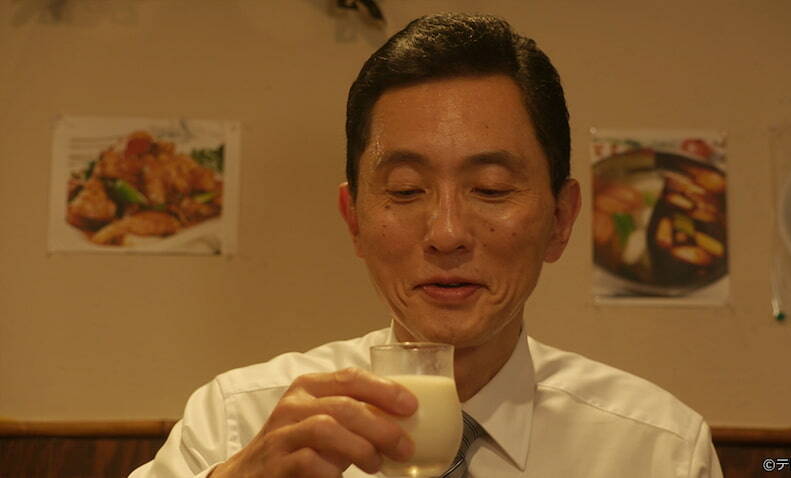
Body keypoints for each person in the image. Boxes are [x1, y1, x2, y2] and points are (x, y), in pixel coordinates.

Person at [130, 13, 723, 478]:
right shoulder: (239, 420)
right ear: (354, 220)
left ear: (561, 219)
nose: (446, 234)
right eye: (406, 190)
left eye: (491, 189)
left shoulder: (658, 450)